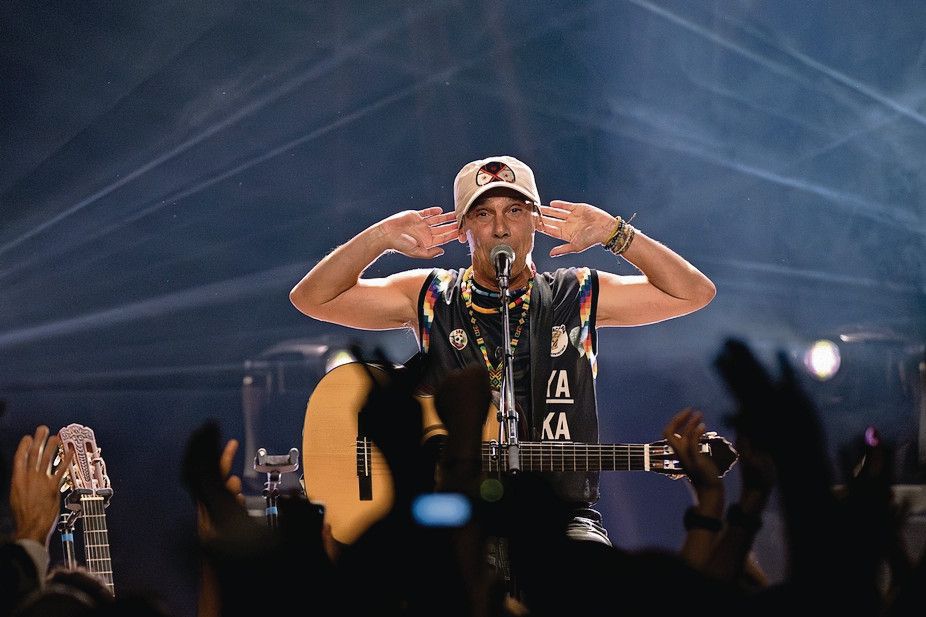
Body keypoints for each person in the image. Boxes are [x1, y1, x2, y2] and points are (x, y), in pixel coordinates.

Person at [289, 155, 716, 567]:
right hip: (451, 514)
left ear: (535, 220)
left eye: (514, 210)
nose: (499, 227)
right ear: (462, 229)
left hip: (561, 516)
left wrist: (614, 233)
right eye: (482, 214)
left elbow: (693, 293)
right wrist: (380, 237)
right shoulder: (431, 296)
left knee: (591, 576)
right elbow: (312, 298)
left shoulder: (576, 294)